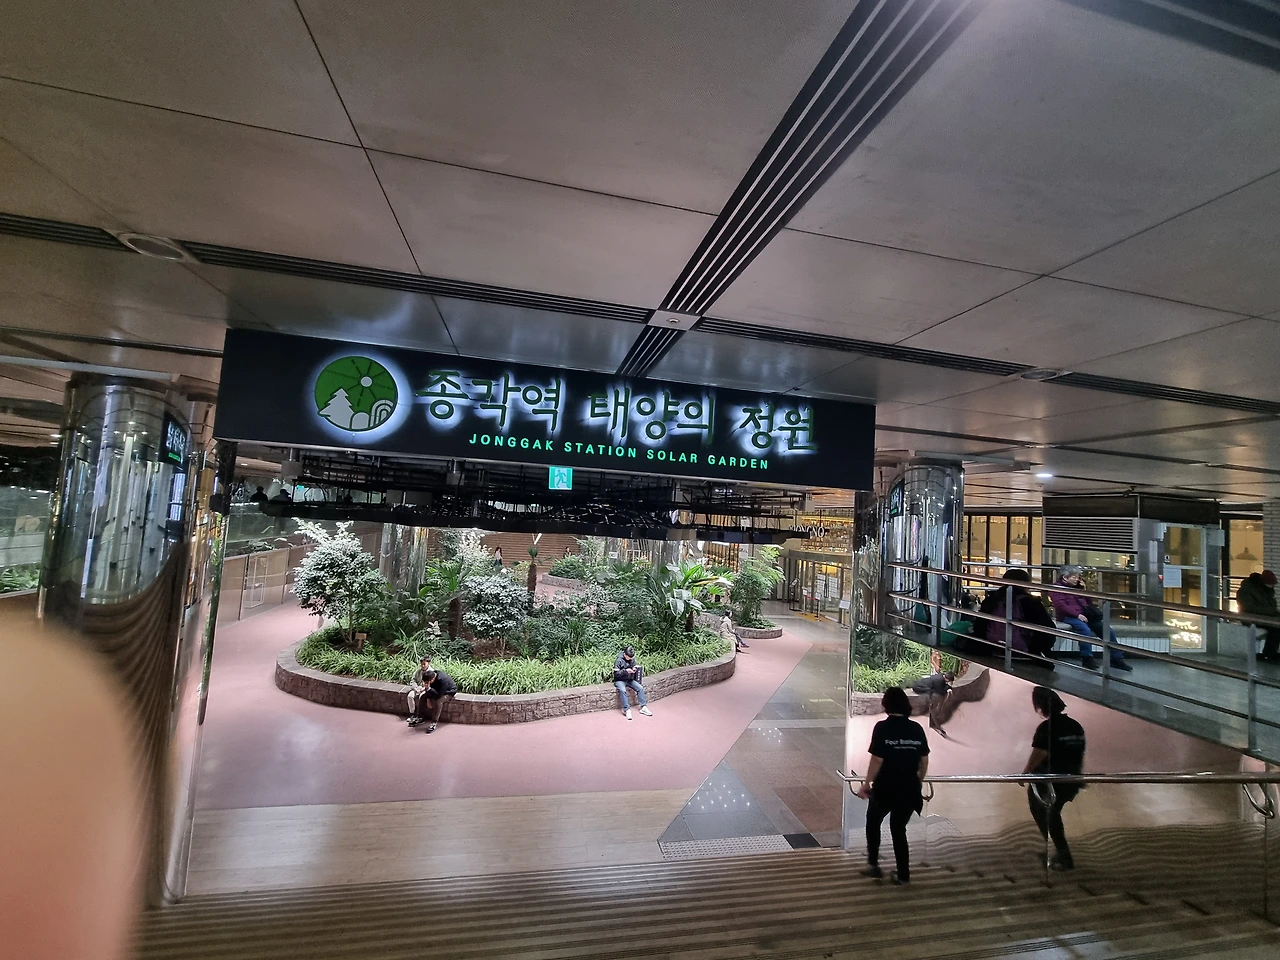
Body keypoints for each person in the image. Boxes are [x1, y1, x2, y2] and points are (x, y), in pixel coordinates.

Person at [857, 686, 929, 885]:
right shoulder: (916, 728)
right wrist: (918, 782)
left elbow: (877, 760)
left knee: (873, 823)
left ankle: (873, 865)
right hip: (909, 789)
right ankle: (903, 875)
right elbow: (924, 760)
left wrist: (866, 783)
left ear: (886, 705)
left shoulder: (882, 727)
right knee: (898, 830)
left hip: (885, 788)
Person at [1022, 686, 1085, 871]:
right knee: (1051, 813)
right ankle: (1056, 850)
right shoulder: (1075, 725)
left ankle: (1063, 855)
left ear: (1041, 706)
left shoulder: (1046, 728)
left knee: (1044, 813)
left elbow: (1040, 753)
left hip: (1049, 781)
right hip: (1071, 778)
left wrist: (1025, 773)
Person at [1049, 565, 1131, 671]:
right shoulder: (1056, 588)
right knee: (1084, 630)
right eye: (1074, 577)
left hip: (1085, 615)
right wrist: (1077, 615)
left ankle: (1116, 658)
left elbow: (1089, 603)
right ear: (1065, 577)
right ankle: (1087, 658)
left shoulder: (1078, 587)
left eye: (1078, 577)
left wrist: (1084, 590)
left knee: (1108, 631)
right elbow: (1061, 606)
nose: (1077, 579)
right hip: (1068, 616)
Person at [974, 569, 1057, 667]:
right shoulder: (1031, 603)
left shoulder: (991, 600)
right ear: (1026, 584)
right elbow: (1048, 631)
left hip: (991, 648)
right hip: (1026, 653)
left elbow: (979, 626)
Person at [1237, 570, 1279, 663]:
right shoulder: (1247, 590)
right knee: (1275, 629)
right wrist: (1270, 612)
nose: (1272, 586)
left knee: (1275, 627)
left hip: (1262, 616)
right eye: (1270, 584)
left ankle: (1270, 653)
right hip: (1250, 618)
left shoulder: (1265, 590)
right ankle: (1268, 654)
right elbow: (1249, 607)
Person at [406, 659, 456, 732]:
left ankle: (434, 722)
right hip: (437, 690)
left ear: (432, 680)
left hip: (448, 692)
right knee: (423, 696)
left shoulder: (443, 680)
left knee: (439, 701)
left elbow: (439, 695)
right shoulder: (431, 675)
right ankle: (420, 717)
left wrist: (429, 689)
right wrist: (428, 696)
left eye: (427, 682)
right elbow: (430, 691)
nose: (426, 683)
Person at [911, 670, 955, 736]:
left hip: (921, 684)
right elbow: (941, 692)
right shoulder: (939, 681)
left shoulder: (941, 676)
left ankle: (935, 723)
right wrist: (949, 686)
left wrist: (947, 687)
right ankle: (936, 725)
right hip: (918, 687)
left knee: (934, 692)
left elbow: (942, 688)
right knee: (933, 693)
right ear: (947, 679)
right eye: (948, 681)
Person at [613, 646, 652, 720]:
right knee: (623, 690)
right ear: (625, 654)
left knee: (640, 688)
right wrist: (625, 671)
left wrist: (634, 668)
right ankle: (626, 710)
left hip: (629, 679)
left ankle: (643, 707)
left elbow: (634, 666)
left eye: (631, 657)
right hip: (620, 680)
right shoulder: (618, 660)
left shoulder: (632, 658)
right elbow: (616, 674)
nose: (631, 658)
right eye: (629, 657)